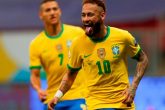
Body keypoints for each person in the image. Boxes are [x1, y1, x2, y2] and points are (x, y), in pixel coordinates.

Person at [48, 0, 149, 110]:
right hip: (97, 104)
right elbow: (70, 75)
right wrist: (57, 96)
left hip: (124, 103)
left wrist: (133, 86)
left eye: (90, 15)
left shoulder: (122, 37)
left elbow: (143, 59)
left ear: (103, 15)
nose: (86, 19)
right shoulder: (77, 44)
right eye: (83, 15)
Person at [29, 0, 86, 110]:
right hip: (52, 99)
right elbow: (35, 74)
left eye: (55, 9)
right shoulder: (36, 44)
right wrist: (39, 89)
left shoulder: (77, 33)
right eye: (48, 10)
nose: (52, 12)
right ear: (41, 15)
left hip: (78, 96)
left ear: (60, 11)